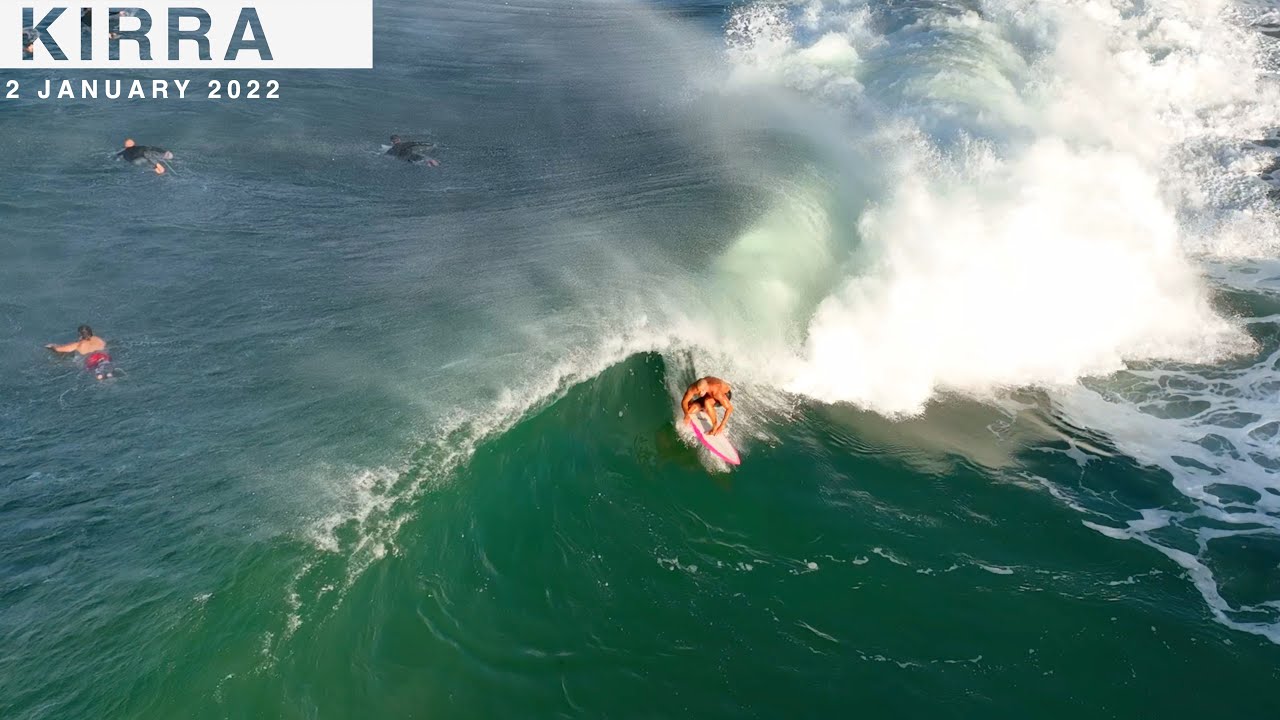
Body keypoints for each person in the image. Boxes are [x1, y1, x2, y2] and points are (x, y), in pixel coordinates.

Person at [46, 324, 114, 380]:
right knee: (104, 365)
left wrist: (52, 346)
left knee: (96, 371)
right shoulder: (99, 340)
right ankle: (108, 374)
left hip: (92, 358)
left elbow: (59, 349)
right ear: (92, 332)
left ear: (80, 335)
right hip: (103, 356)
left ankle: (100, 376)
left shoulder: (78, 344)